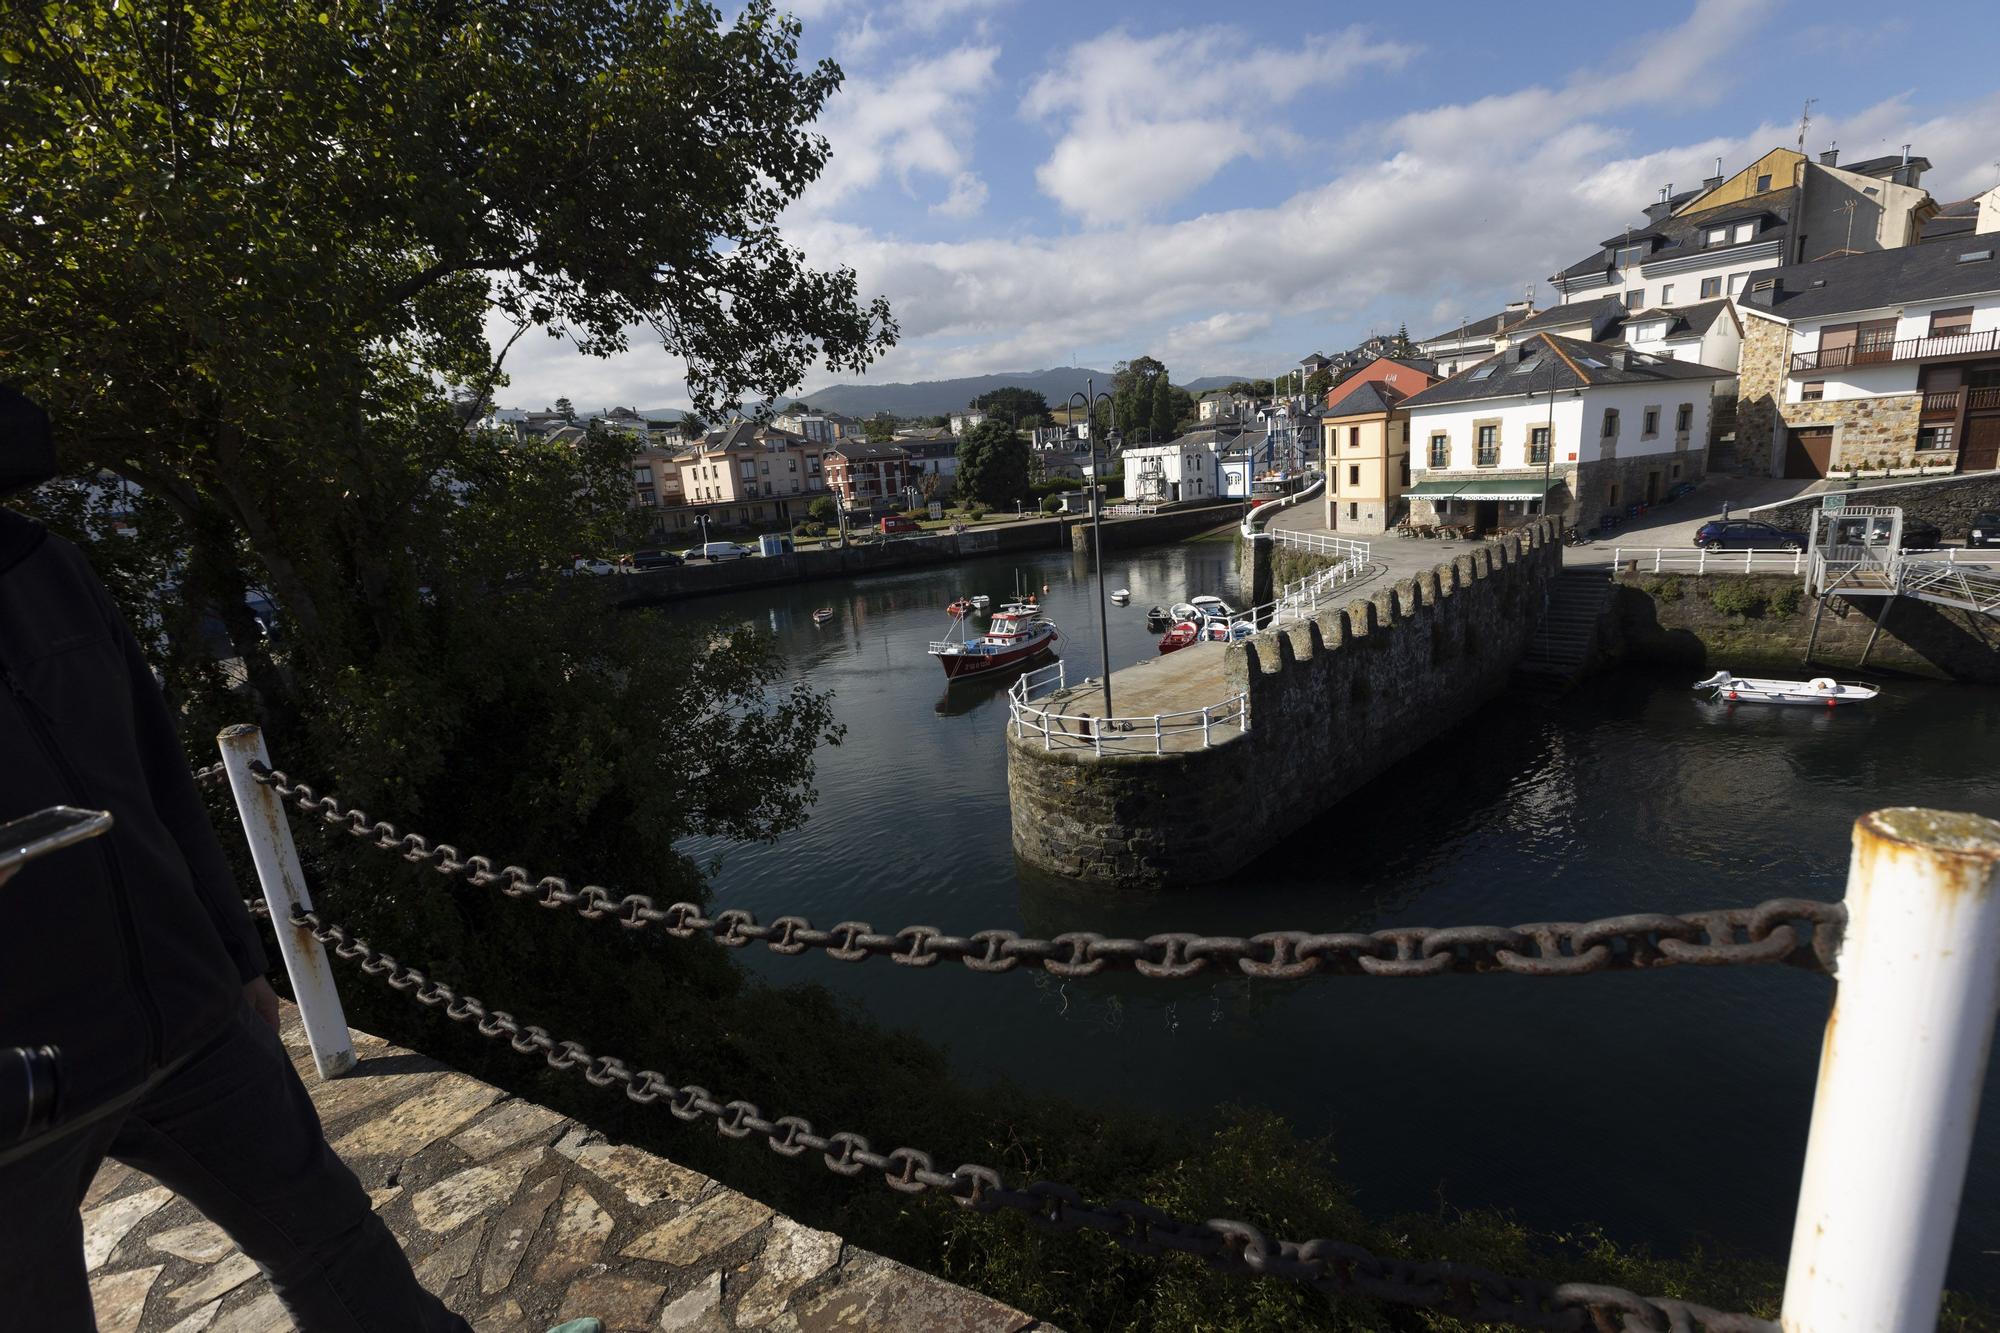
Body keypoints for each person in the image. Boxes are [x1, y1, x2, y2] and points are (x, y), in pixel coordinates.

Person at [0, 388, 599, 1332]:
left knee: (337, 1246)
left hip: (187, 1012)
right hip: (20, 1082)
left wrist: (239, 957)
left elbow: (159, 775)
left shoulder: (47, 565)